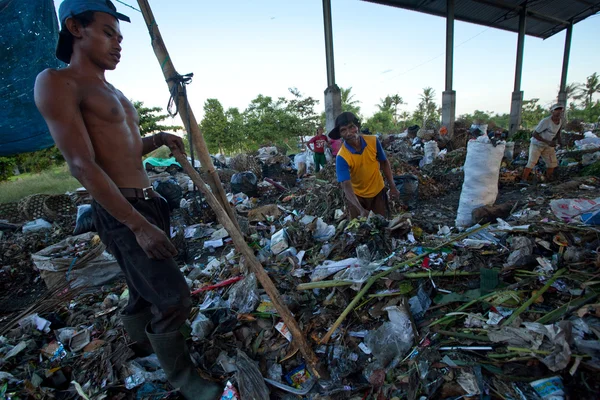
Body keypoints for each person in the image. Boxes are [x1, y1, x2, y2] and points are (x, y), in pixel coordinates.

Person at [34, 1, 221, 399]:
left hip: (149, 202)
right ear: (75, 27)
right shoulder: (58, 82)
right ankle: (185, 380)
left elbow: (123, 150)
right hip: (122, 209)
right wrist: (137, 225)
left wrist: (156, 141)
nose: (118, 44)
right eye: (107, 32)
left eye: (120, 37)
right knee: (173, 297)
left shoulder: (113, 91)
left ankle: (139, 348)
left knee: (142, 289)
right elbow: (83, 165)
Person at [329, 112, 400, 219]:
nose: (348, 133)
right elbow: (346, 185)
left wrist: (393, 187)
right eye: (343, 130)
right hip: (357, 197)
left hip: (378, 192)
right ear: (340, 134)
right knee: (359, 229)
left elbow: (384, 163)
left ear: (358, 127)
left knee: (382, 225)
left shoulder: (373, 141)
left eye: (351, 127)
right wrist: (360, 209)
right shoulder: (342, 157)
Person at [522, 104, 564, 182]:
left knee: (552, 163)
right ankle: (523, 179)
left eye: (560, 110)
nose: (558, 112)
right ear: (552, 112)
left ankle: (548, 179)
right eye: (556, 110)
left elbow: (558, 133)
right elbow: (535, 134)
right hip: (537, 144)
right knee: (532, 162)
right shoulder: (546, 121)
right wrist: (548, 142)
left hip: (548, 145)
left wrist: (560, 142)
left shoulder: (560, 121)